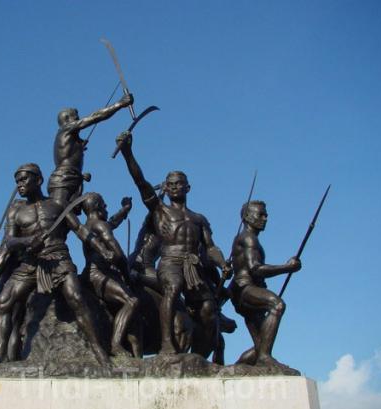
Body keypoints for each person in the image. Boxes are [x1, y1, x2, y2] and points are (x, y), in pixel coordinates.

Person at [0, 163, 112, 366]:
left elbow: (80, 230)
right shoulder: (15, 211)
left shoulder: (57, 205)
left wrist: (102, 249)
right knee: (3, 302)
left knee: (76, 298)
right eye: (17, 181)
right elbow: (9, 243)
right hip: (30, 262)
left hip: (58, 258)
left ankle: (98, 350)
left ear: (38, 180)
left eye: (24, 179)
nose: (20, 184)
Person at [116, 130, 232, 355]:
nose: (176, 186)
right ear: (166, 189)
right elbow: (141, 182)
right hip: (170, 262)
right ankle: (166, 343)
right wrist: (128, 153)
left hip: (193, 266)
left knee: (208, 307)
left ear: (188, 187)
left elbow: (210, 247)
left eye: (180, 183)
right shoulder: (160, 211)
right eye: (171, 184)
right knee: (173, 287)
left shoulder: (199, 219)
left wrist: (222, 263)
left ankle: (200, 354)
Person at [230, 200, 301, 366]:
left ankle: (236, 369)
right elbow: (255, 269)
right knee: (277, 305)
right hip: (245, 289)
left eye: (266, 215)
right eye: (260, 215)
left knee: (261, 344)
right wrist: (287, 267)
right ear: (247, 217)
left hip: (243, 291)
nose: (265, 218)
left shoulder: (248, 238)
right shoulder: (248, 238)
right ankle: (265, 358)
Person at [80, 193, 140, 357]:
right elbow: (118, 254)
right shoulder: (100, 226)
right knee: (132, 301)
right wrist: (127, 277)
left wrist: (125, 210)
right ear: (97, 207)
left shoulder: (89, 225)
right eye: (104, 205)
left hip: (91, 273)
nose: (106, 208)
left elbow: (112, 222)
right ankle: (116, 344)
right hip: (98, 274)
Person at [49, 93, 133, 204]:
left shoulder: (68, 136)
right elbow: (95, 117)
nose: (78, 120)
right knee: (59, 208)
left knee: (71, 211)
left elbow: (68, 154)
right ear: (67, 119)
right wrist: (119, 104)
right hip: (63, 179)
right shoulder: (66, 128)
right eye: (76, 118)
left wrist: (78, 150)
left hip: (73, 178)